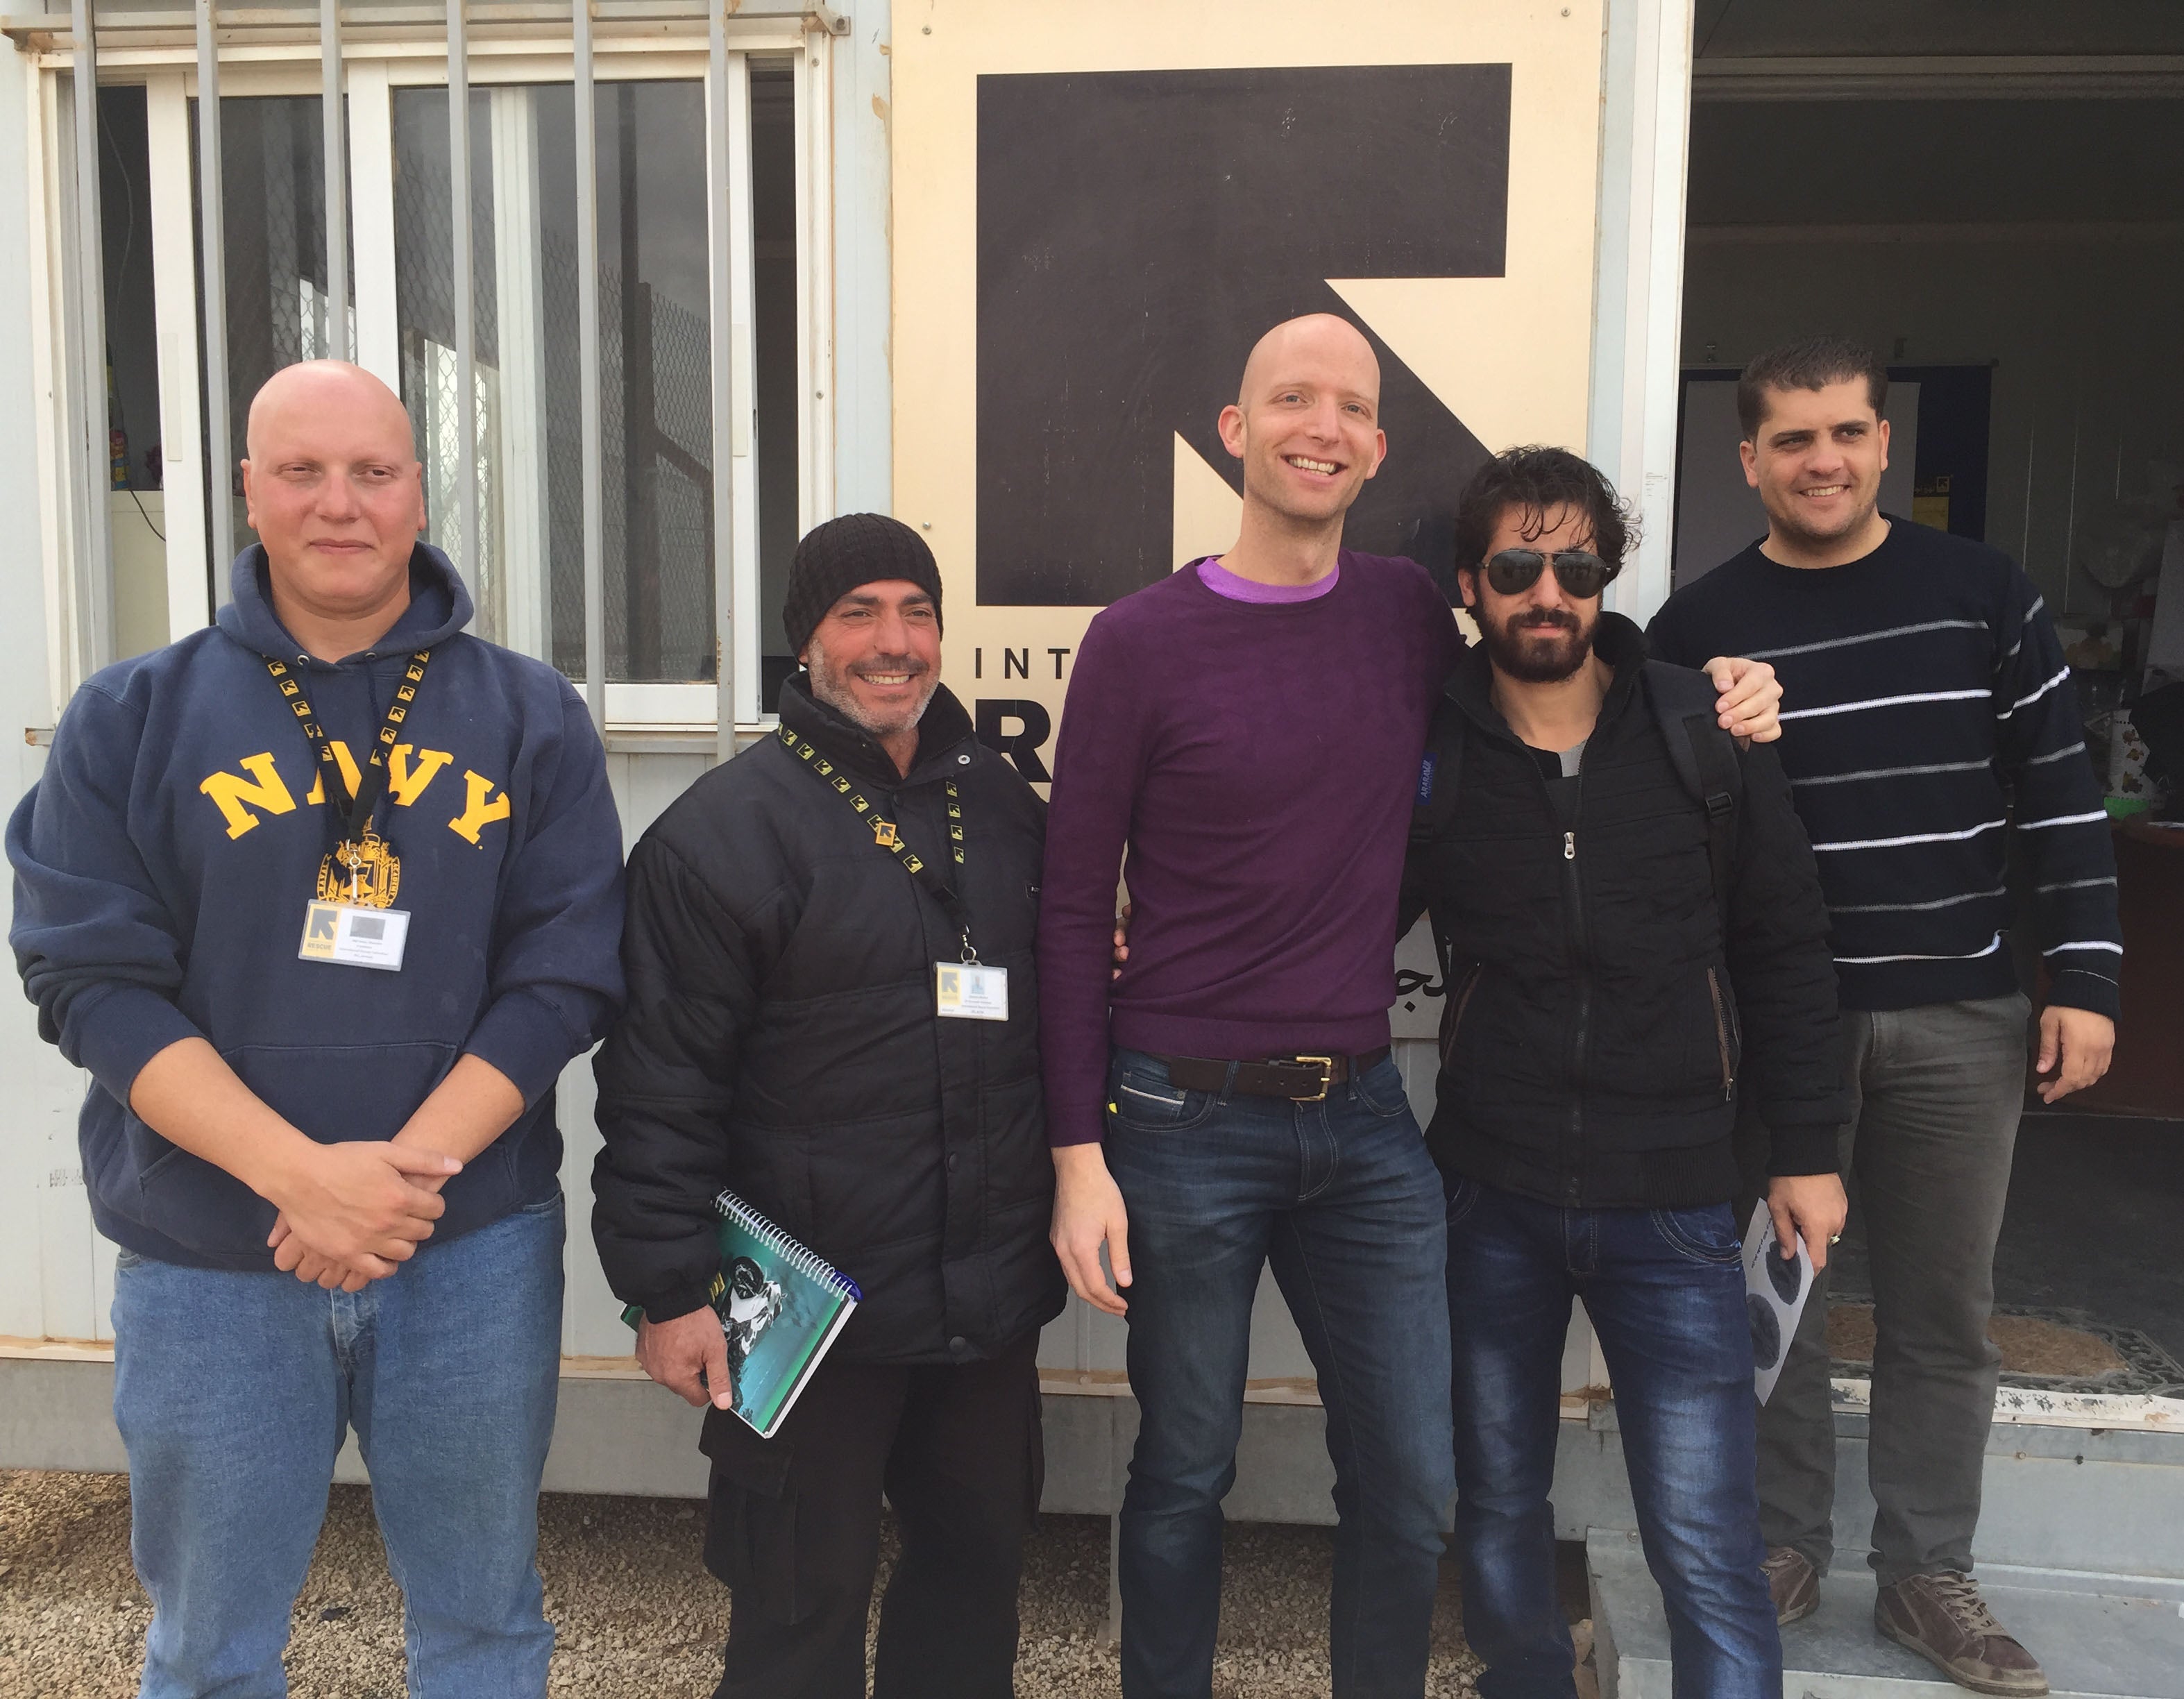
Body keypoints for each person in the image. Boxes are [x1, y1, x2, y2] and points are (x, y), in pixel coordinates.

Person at [1038, 312, 1784, 1698]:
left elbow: (1560, 649)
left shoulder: (1401, 615)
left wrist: (1725, 686)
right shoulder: (1137, 642)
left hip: (1368, 1125)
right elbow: (1076, 909)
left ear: (1376, 447)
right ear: (1236, 430)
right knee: (1183, 1467)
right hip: (1176, 1120)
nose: (1320, 425)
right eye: (1290, 398)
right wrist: (1077, 1157)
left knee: (1407, 1477)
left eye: (1350, 405)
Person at [8, 360, 626, 1698]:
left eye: (372, 472)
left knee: (483, 1630)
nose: (338, 504)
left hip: (465, 1250)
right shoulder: (130, 718)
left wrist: (392, 1189)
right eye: (301, 471)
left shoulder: (531, 717)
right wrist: (304, 1180)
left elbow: (565, 974)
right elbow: (90, 981)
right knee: (211, 1649)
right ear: (247, 491)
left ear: (418, 491)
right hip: (210, 1264)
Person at [1648, 336, 2122, 1696]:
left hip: (1958, 1015)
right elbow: (1681, 840)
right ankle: (1776, 1548)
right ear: (1746, 462)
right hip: (1775, 1027)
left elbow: (2058, 797)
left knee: (1937, 1314)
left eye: (1844, 434)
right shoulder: (1697, 628)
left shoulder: (1980, 593)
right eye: (1789, 440)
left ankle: (1925, 1574)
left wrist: (2084, 979)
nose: (1820, 460)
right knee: (1770, 1302)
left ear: (1879, 445)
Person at [591, 512, 1063, 1699]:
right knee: (798, 1605)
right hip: (808, 1311)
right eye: (858, 614)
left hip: (984, 1298)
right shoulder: (721, 836)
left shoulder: (1007, 811)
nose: (892, 642)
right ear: (806, 641)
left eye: (916, 611)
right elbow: (659, 1084)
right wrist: (665, 1289)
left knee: (974, 1579)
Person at [1405, 446, 1847, 1697]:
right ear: (1469, 584)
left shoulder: (1703, 729)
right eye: (1516, 566)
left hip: (1678, 1205)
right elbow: (1329, 908)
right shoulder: (1430, 750)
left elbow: (1785, 945)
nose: (1549, 591)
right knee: (1495, 1499)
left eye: (1578, 564)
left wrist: (1806, 1153)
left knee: (1706, 1536)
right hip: (1491, 1192)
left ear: (1607, 575)